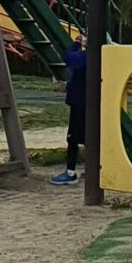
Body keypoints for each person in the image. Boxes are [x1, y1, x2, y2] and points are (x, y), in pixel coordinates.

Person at [53, 35, 88, 186]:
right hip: (94, 104)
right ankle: (95, 169)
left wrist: (76, 43)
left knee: (72, 139)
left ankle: (70, 172)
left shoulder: (86, 57)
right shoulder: (104, 59)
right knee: (91, 138)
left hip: (80, 104)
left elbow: (68, 57)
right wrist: (69, 85)